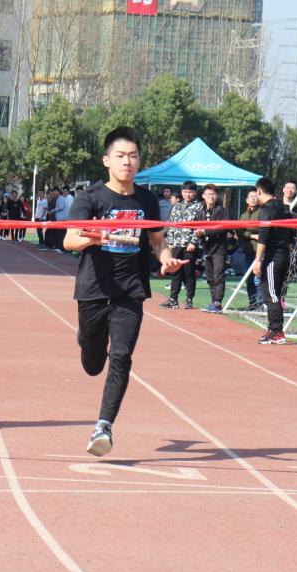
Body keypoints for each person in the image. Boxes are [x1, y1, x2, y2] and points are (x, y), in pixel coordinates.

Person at [63, 126, 188, 456]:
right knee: (93, 364)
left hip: (130, 292)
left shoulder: (146, 201)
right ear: (107, 160)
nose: (127, 162)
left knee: (121, 355)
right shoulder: (90, 198)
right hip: (93, 289)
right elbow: (69, 239)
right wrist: (98, 236)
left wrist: (166, 259)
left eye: (133, 156)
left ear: (139, 161)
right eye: (120, 156)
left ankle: (103, 426)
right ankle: (86, 339)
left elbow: (157, 241)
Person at [252, 177, 294, 345]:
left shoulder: (267, 209)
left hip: (274, 256)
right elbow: (291, 234)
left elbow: (263, 237)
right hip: (284, 254)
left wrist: (258, 260)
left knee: (271, 295)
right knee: (274, 293)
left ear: (259, 191)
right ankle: (273, 329)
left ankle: (277, 331)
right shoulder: (283, 207)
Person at [160, 180, 203, 309]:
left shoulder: (199, 207)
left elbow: (200, 227)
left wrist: (193, 242)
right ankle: (173, 299)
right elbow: (171, 226)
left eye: (190, 192)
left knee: (189, 272)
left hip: (189, 245)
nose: (187, 194)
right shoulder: (176, 206)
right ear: (181, 192)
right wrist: (170, 242)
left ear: (195, 193)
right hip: (176, 244)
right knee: (175, 272)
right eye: (185, 192)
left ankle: (189, 299)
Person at [196, 183, 228, 313]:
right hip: (207, 247)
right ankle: (214, 301)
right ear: (203, 196)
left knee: (218, 275)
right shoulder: (201, 211)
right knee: (209, 277)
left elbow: (222, 228)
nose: (211, 197)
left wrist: (204, 231)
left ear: (217, 196)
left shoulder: (221, 210)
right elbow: (196, 226)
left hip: (219, 248)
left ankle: (217, 303)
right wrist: (198, 233)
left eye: (213, 194)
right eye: (208, 194)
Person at [234, 189, 261, 309]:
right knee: (249, 277)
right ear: (247, 200)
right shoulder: (243, 215)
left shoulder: (262, 212)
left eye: (255, 196)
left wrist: (248, 231)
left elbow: (261, 228)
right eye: (251, 197)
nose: (253, 199)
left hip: (259, 250)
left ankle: (261, 302)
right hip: (247, 250)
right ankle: (252, 302)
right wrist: (251, 235)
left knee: (259, 276)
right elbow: (239, 231)